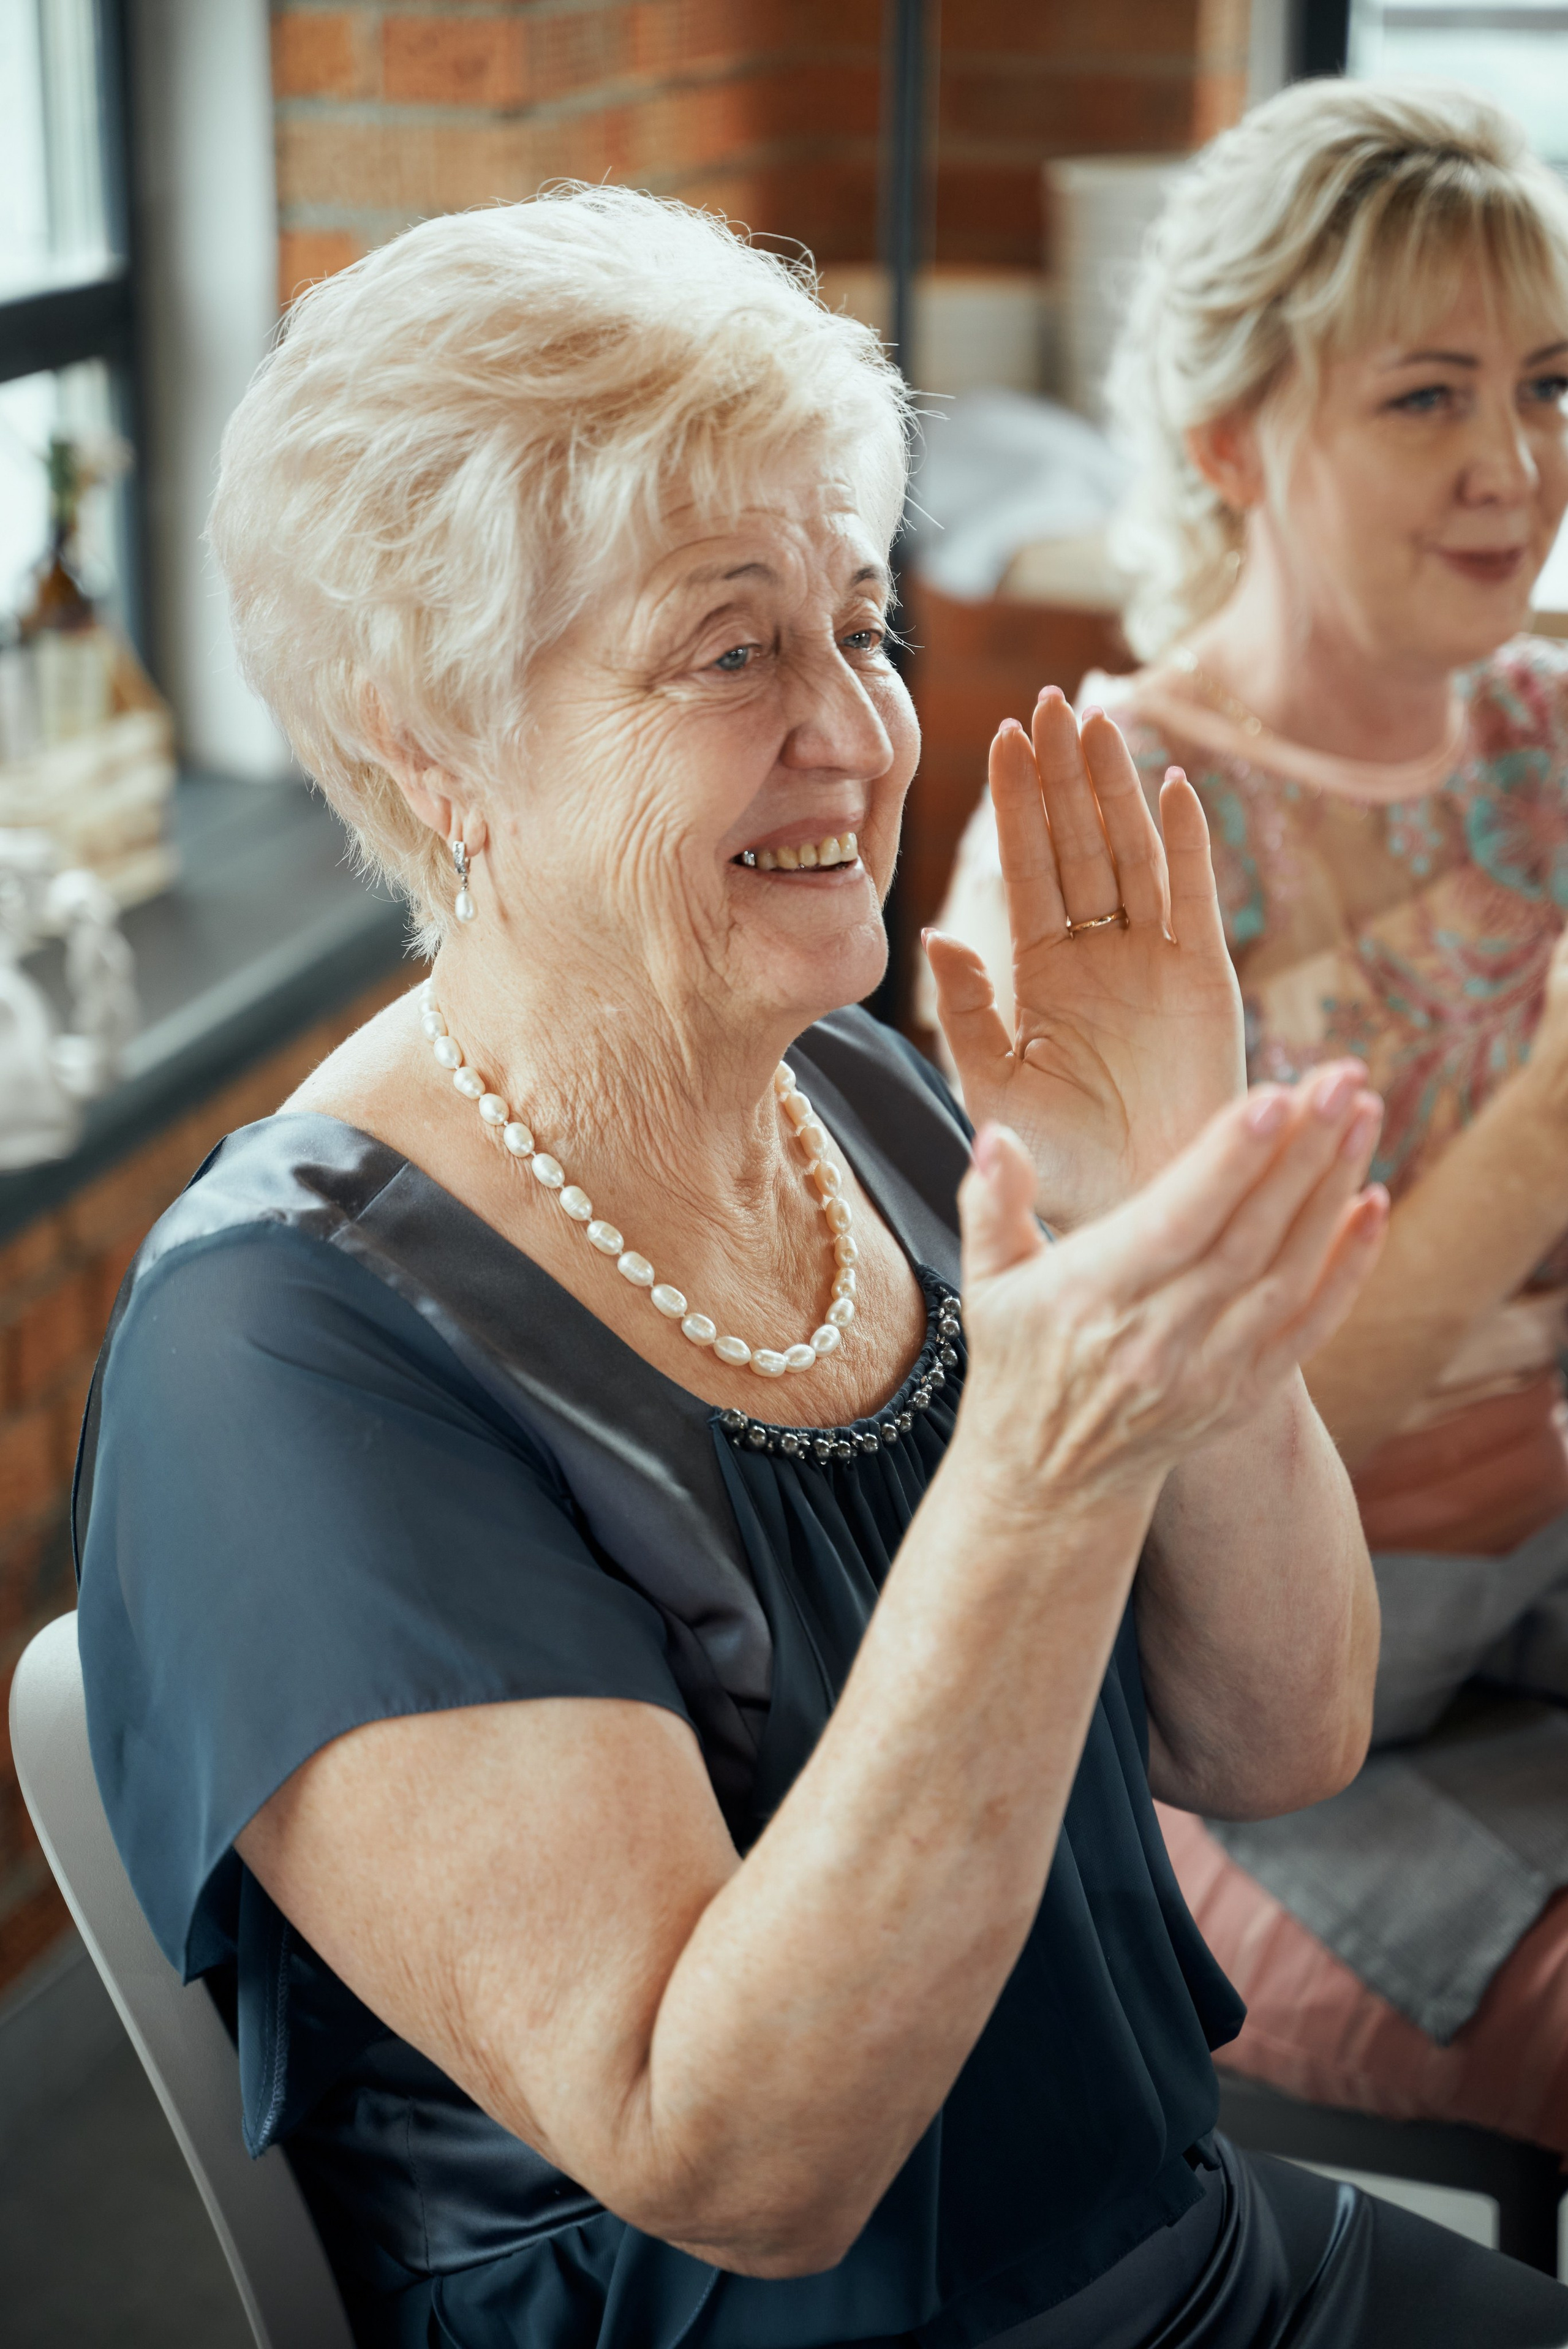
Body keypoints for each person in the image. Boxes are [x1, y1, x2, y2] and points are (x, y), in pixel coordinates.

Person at [72, 186, 1566, 2348]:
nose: (861, 731)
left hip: (1198, 2267)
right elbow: (738, 2158)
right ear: (434, 736)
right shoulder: (285, 1349)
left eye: (859, 624)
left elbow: (1281, 1729)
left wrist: (1158, 1203)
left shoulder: (868, 1103)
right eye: (728, 647)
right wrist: (1044, 1468)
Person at [928, 80, 1568, 2155]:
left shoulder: (1555, 735)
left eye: (1552, 385)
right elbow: (1116, 1463)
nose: (1516, 467)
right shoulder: (1102, 842)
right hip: (1261, 1731)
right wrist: (1544, 1142)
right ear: (1229, 439)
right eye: (1427, 398)